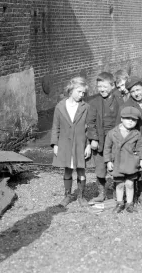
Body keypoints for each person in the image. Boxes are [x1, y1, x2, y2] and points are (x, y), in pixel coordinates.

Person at [51, 77, 91, 207]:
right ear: (71, 89)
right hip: (65, 144)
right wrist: (55, 144)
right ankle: (67, 195)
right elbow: (55, 127)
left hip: (80, 143)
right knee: (67, 169)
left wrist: (89, 145)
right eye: (79, 91)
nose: (81, 95)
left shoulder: (86, 107)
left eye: (83, 93)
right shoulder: (60, 106)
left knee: (81, 170)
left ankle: (81, 196)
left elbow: (90, 128)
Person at [116, 76, 142, 209]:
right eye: (132, 92)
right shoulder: (126, 106)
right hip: (134, 140)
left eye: (138, 90)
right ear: (129, 93)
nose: (136, 93)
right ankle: (134, 193)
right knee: (134, 165)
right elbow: (119, 126)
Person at [87, 72, 123, 202]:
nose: (102, 89)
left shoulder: (120, 100)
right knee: (100, 169)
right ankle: (101, 193)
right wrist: (94, 139)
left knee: (116, 167)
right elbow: (90, 123)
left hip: (115, 140)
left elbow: (123, 121)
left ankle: (115, 193)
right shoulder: (94, 103)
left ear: (112, 85)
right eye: (99, 87)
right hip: (101, 140)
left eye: (105, 86)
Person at [104, 106, 142, 213]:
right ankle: (120, 203)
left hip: (131, 163)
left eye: (134, 120)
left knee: (130, 184)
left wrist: (141, 160)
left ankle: (130, 204)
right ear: (121, 119)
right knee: (119, 184)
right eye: (127, 118)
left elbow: (140, 147)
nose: (130, 122)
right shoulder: (112, 133)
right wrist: (108, 161)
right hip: (117, 163)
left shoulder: (136, 134)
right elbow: (107, 147)